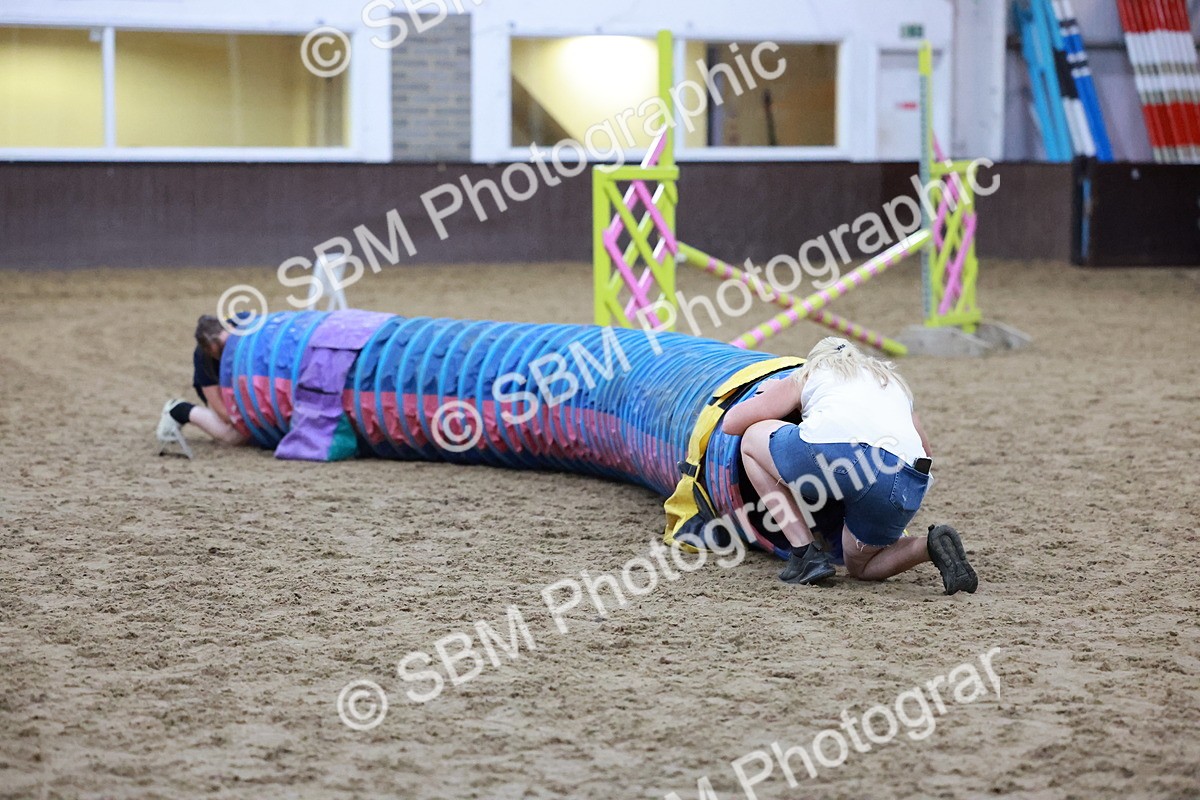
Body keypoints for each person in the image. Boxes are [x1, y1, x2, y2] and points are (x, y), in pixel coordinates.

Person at [721, 336, 977, 594]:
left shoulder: (812, 371)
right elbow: (927, 451)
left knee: (752, 439)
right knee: (862, 566)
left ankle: (804, 552)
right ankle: (930, 545)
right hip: (903, 478)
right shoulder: (892, 381)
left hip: (833, 456)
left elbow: (731, 423)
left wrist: (776, 392)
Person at [156, 315, 248, 451]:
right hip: (220, 386)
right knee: (233, 437)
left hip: (246, 379)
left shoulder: (247, 323)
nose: (228, 353)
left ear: (230, 328)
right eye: (220, 352)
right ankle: (179, 410)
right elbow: (223, 411)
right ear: (208, 351)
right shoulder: (203, 358)